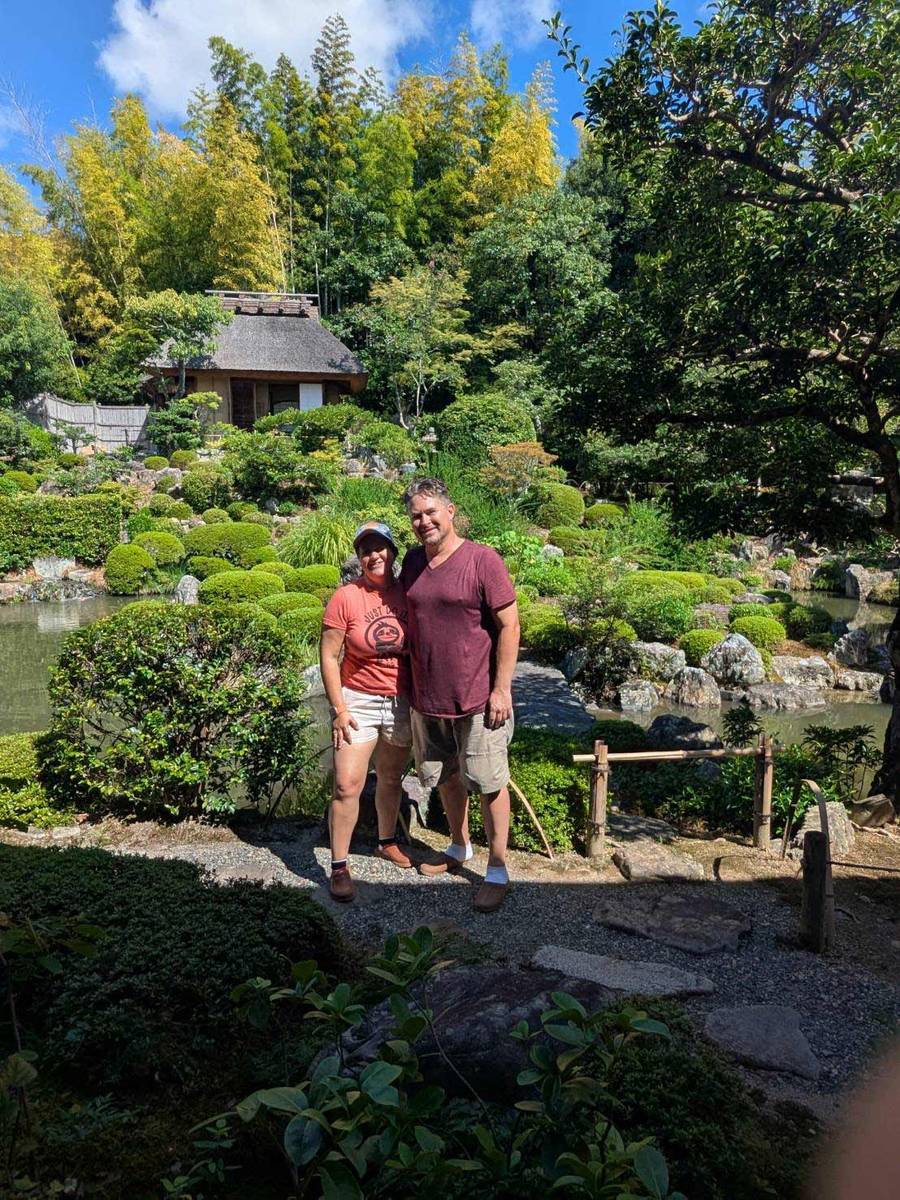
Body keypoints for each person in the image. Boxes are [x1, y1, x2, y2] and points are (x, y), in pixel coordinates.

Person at [400, 477, 520, 913]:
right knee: (447, 777)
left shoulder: (482, 560)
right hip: (426, 695)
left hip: (477, 695)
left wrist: (501, 688)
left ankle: (498, 868)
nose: (424, 521)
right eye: (416, 515)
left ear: (451, 511)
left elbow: (509, 625)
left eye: (431, 512)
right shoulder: (412, 562)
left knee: (488, 782)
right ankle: (458, 846)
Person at [319, 520, 413, 902]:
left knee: (390, 777)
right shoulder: (346, 597)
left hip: (401, 699)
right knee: (346, 785)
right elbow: (328, 654)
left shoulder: (407, 593)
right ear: (359, 557)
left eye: (381, 547)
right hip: (356, 698)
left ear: (392, 551)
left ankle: (386, 841)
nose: (375, 555)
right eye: (366, 550)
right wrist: (338, 708)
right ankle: (339, 865)